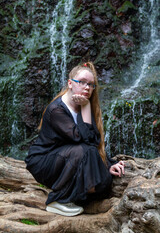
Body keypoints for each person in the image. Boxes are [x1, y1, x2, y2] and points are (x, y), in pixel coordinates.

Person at [25, 62, 125, 217]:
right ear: (70, 83)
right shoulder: (56, 109)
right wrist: (85, 107)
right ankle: (57, 201)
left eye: (91, 84)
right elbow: (82, 140)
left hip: (68, 157)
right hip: (44, 161)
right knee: (82, 151)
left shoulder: (83, 105)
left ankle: (74, 196)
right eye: (82, 82)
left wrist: (108, 164)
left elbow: (94, 141)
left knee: (102, 184)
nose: (87, 87)